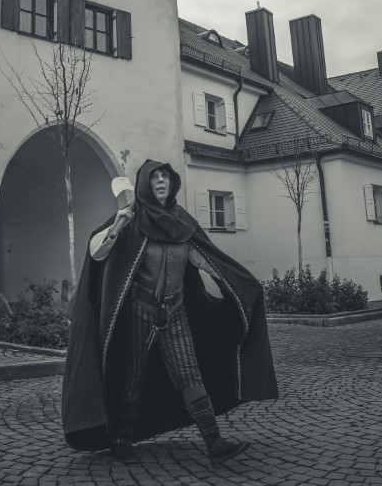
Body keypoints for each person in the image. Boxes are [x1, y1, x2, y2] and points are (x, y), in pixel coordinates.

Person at [62, 159, 279, 464]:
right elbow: (96, 252)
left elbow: (205, 259)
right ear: (145, 184)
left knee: (189, 374)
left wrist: (240, 285)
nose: (161, 181)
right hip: (138, 310)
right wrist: (117, 226)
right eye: (155, 178)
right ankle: (121, 441)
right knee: (132, 374)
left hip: (174, 311)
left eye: (165, 177)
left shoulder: (182, 223)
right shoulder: (131, 220)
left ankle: (214, 442)